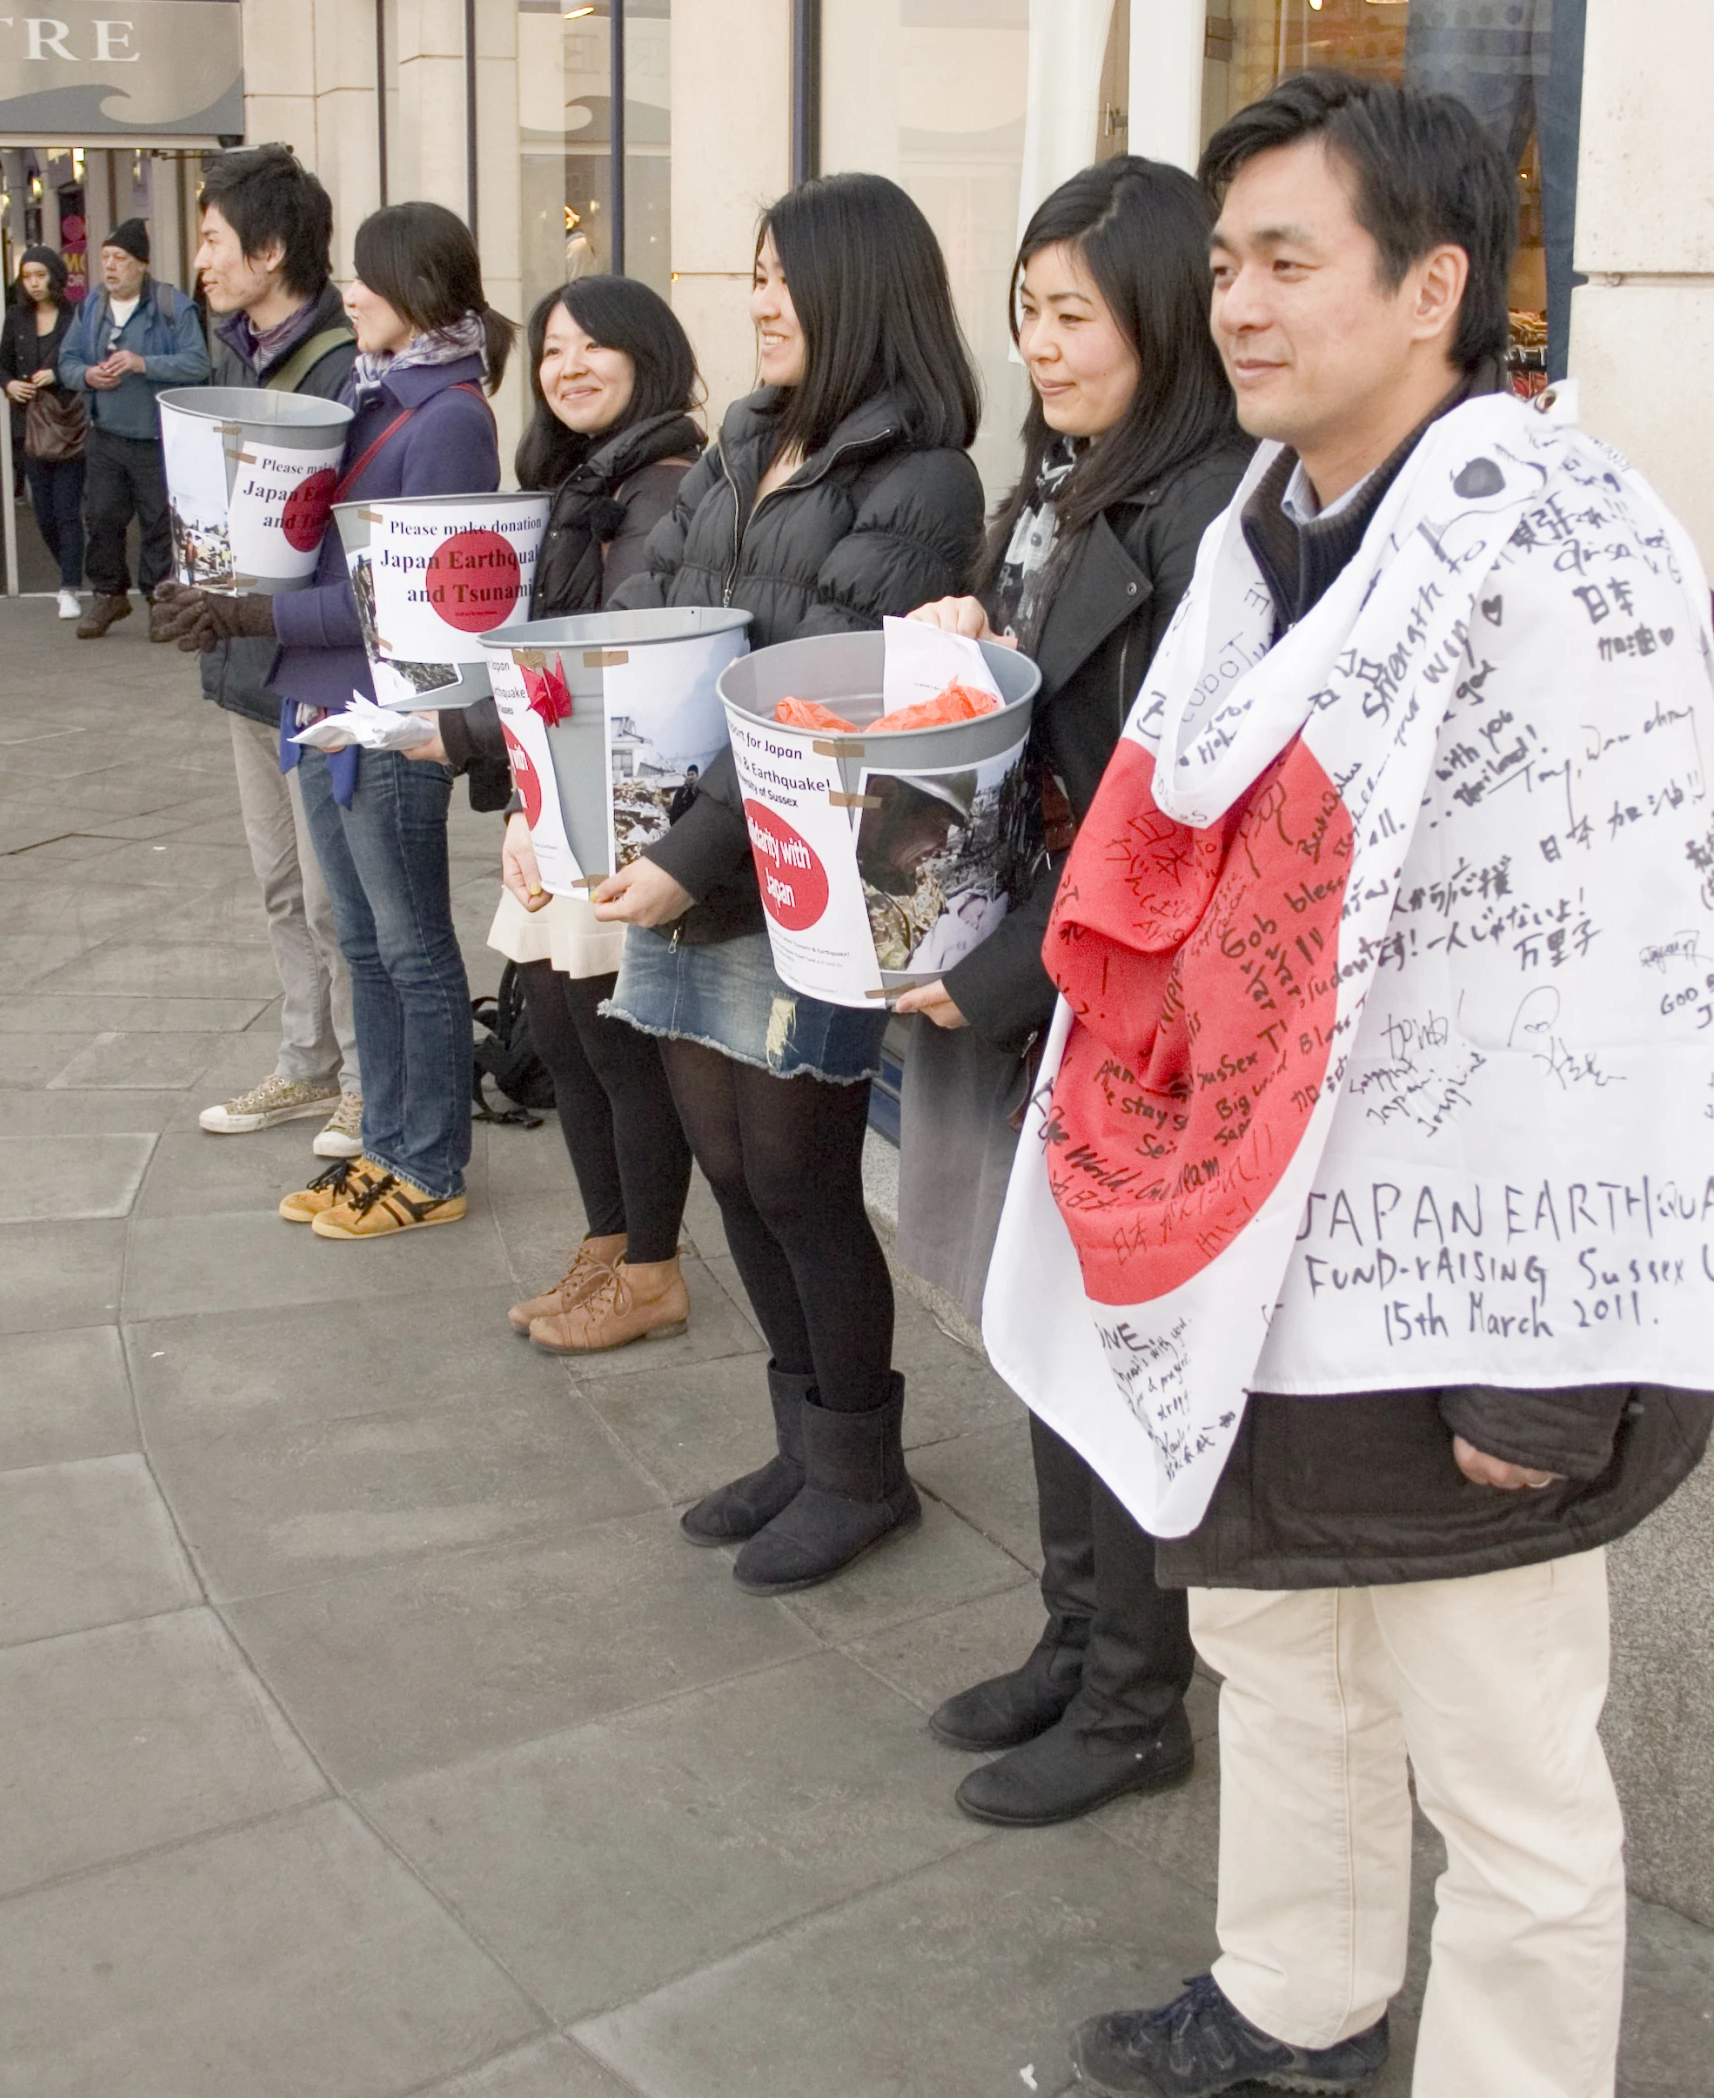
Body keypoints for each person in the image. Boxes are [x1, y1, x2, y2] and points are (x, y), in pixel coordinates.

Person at [1025, 74, 1714, 2098]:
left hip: (1481, 1285)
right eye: (1224, 261)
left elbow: (1625, 952)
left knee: (1501, 1760)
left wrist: (1552, 1357)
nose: (1234, 303)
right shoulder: (1276, 535)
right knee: (1276, 1648)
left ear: (1430, 287)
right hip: (1275, 1253)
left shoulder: (1556, 545)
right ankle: (1290, 2005)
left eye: (1285, 261)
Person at [896, 156, 1252, 1831]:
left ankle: (1131, 1696)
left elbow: (1155, 810)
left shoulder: (1206, 514)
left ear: (1162, 314)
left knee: (1111, 1346)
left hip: (1132, 993)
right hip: (1058, 975)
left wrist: (994, 962)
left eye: (1075, 315)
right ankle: (1072, 1636)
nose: (1042, 346)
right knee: (1044, 1324)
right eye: (1027, 312)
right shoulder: (1049, 487)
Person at [593, 171, 986, 1594]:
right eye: (753, 273)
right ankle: (802, 1432)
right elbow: (659, 618)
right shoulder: (746, 435)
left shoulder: (921, 475)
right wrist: (552, 762)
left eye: (784, 276)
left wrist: (677, 854)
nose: (759, 300)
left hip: (806, 883)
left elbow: (823, 697)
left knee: (801, 1175)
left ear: (858, 290)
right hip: (690, 864)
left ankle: (861, 1471)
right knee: (722, 1163)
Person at [158, 202, 511, 1241]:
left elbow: (400, 601)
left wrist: (247, 608)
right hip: (317, 704)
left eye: (365, 276)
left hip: (387, 718)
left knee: (411, 951)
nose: (348, 291)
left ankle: (428, 1164)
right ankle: (383, 1146)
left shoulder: (448, 415)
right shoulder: (374, 387)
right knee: (360, 941)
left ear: (418, 286)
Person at [418, 274, 703, 1348]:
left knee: (610, 1043)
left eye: (592, 347)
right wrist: (523, 804)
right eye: (550, 350)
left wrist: (495, 765)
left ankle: (650, 1266)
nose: (567, 367)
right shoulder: (584, 481)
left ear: (650, 357)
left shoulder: (666, 482)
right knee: (557, 1028)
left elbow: (605, 662)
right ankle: (606, 1244)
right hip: (556, 789)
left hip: (617, 797)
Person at [164, 146, 365, 1162]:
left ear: (271, 248)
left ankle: (368, 1088)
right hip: (241, 666)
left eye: (211, 238)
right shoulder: (231, 347)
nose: (198, 258)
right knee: (278, 883)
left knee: (341, 899)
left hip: (313, 672)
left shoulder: (338, 365)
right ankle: (306, 1061)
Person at [57, 217, 209, 639]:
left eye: (119, 259)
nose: (109, 267)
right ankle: (109, 595)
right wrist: (87, 376)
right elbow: (65, 363)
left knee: (158, 522)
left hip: (157, 438)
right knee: (102, 517)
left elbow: (198, 364)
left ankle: (159, 603)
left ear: (142, 264)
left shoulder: (171, 306)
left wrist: (144, 364)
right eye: (104, 258)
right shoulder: (90, 307)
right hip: (105, 434)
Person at [0, 246, 85, 617]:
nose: (33, 284)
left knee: (66, 510)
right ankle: (71, 567)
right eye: (27, 276)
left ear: (55, 276)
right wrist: (9, 384)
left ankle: (69, 587)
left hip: (66, 424)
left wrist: (59, 373)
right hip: (29, 427)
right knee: (43, 512)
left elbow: (89, 360)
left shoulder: (73, 316)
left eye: (40, 275)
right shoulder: (16, 317)